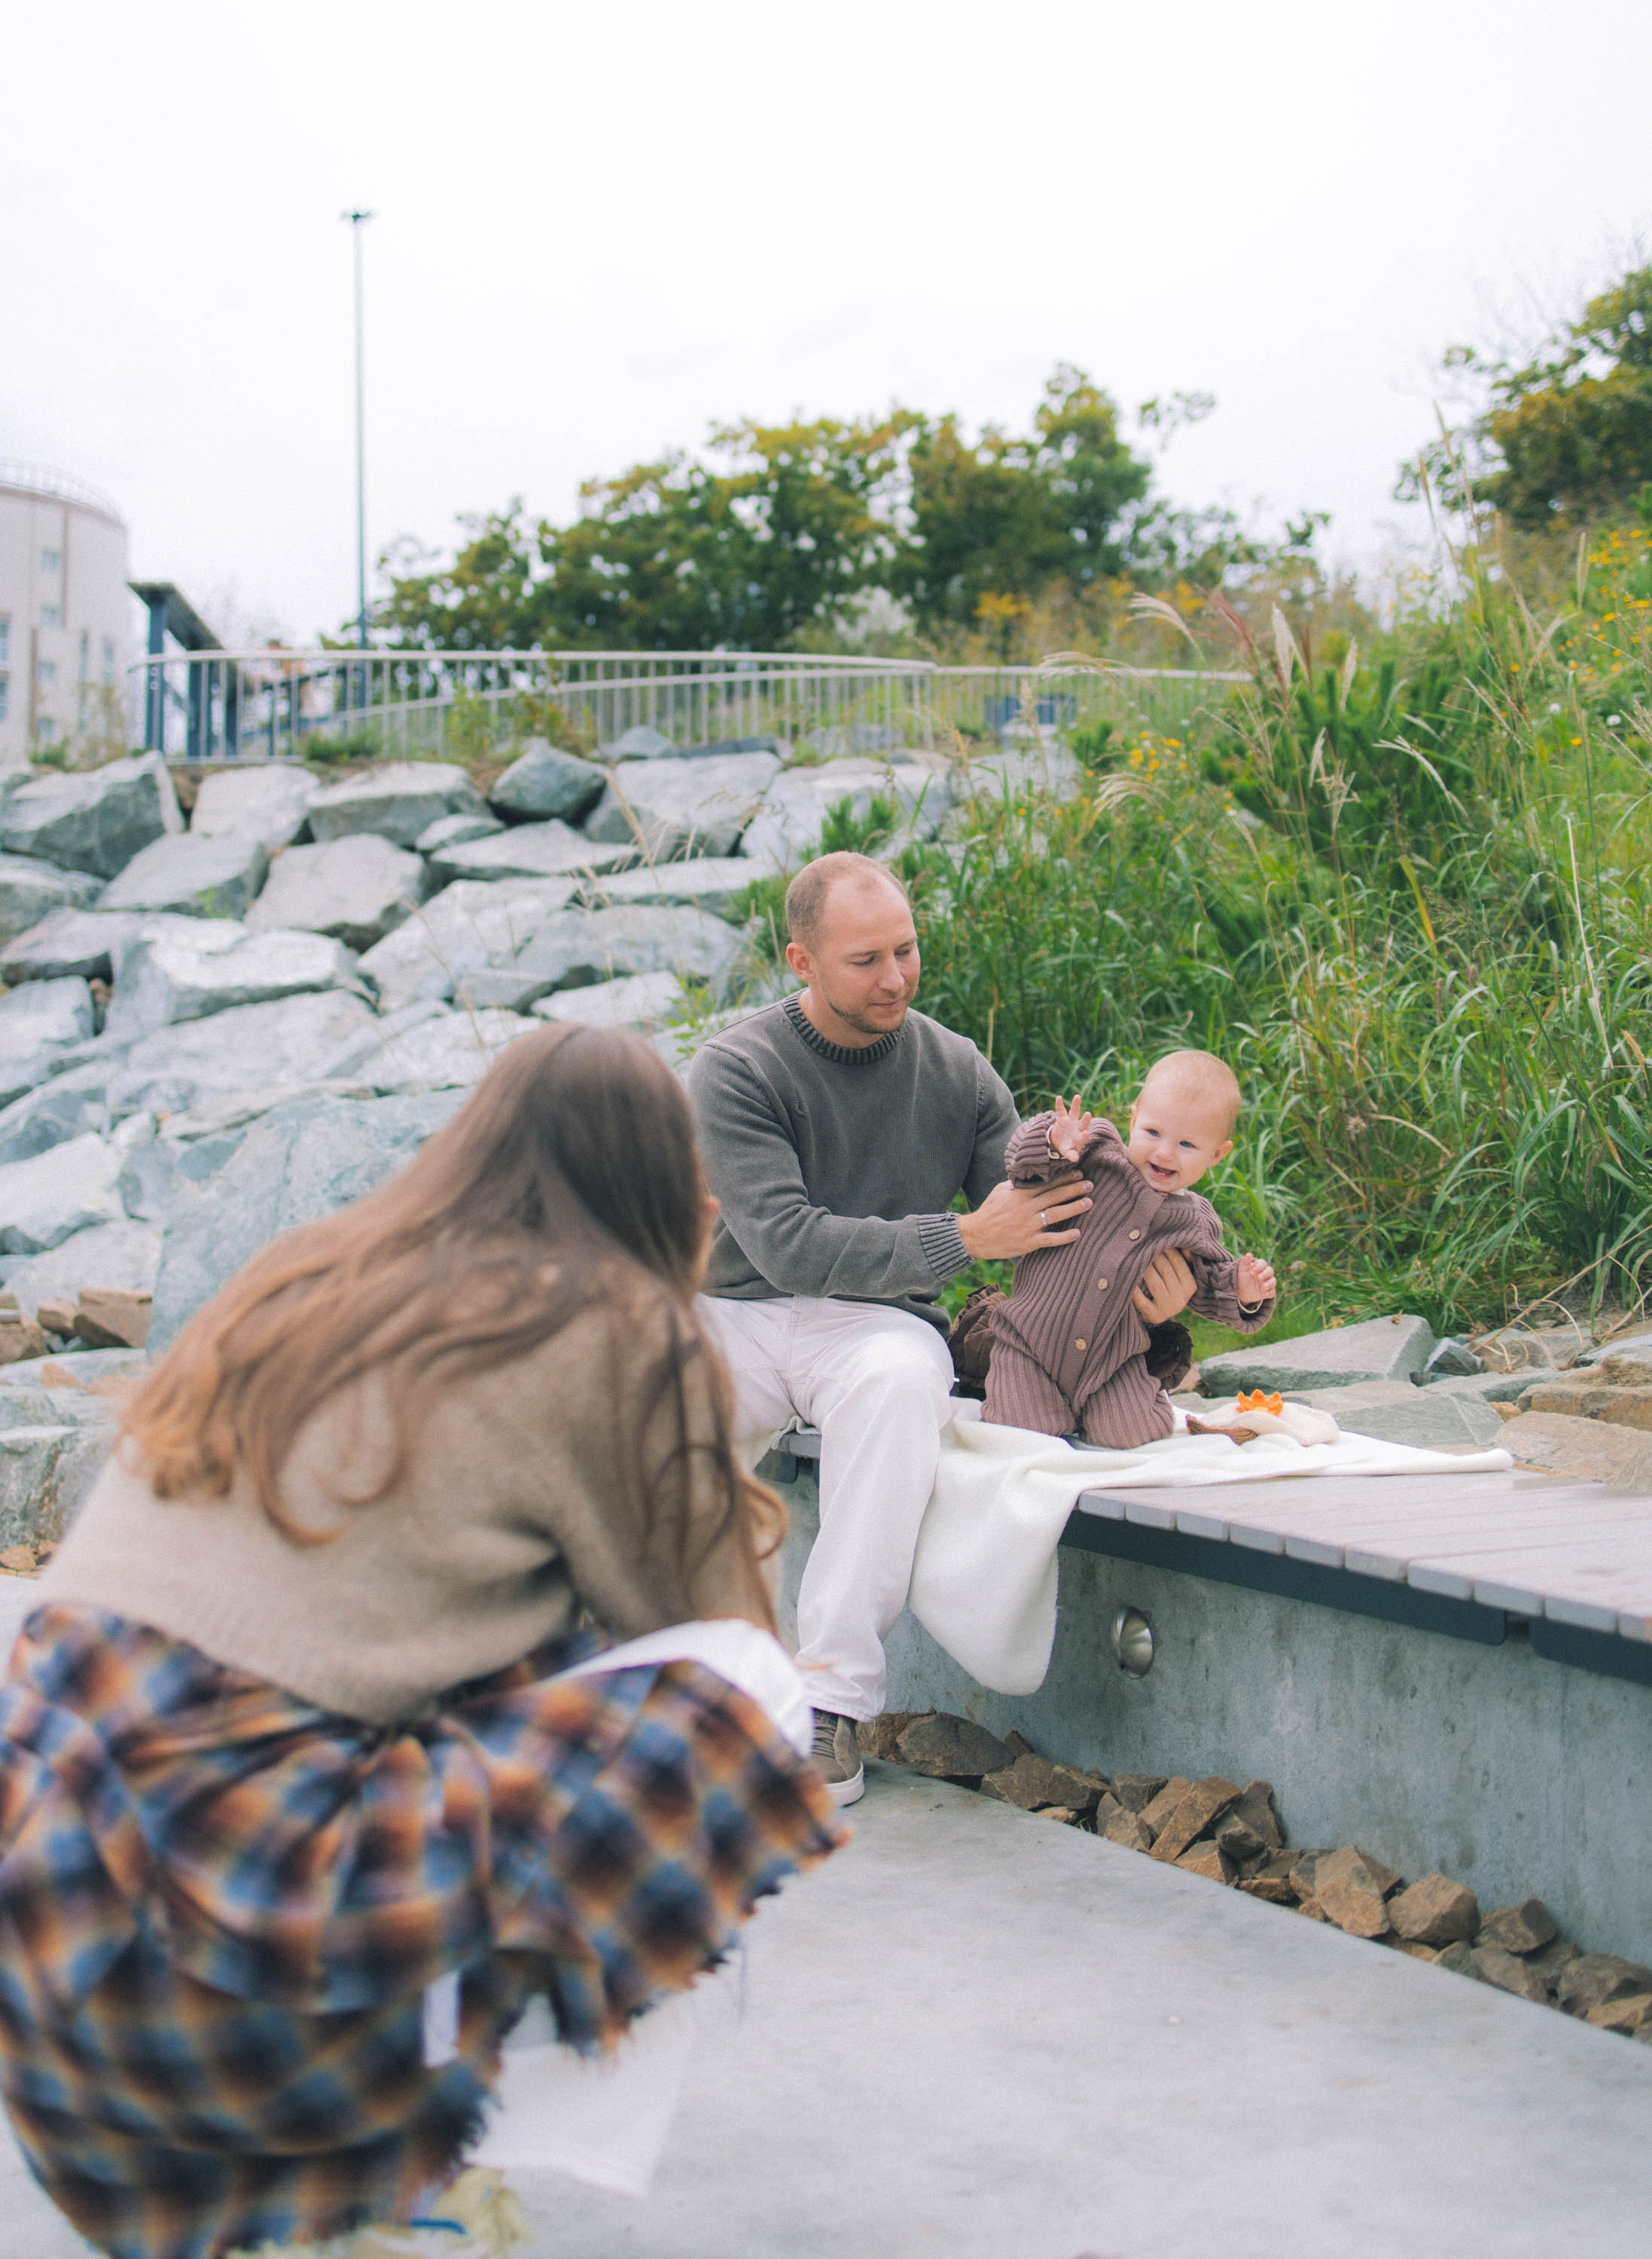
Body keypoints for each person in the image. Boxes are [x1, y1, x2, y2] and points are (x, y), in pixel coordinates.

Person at [0, 1023, 841, 2259]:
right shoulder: (614, 1316)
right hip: (233, 1921)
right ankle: (433, 2174)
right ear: (672, 1187)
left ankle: (349, 2175)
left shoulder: (304, 1264)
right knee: (750, 1691)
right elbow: (715, 1618)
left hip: (54, 1935)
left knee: (502, 1649)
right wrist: (682, 1303)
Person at [687, 851, 1189, 1806]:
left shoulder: (956, 1069)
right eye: (865, 960)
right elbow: (788, 1245)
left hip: (874, 1328)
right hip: (736, 1312)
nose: (895, 978)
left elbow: (1054, 1226)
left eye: (906, 951)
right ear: (801, 961)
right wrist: (962, 1238)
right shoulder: (736, 1070)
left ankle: (828, 1705)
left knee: (900, 1378)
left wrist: (1150, 1309)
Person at [983, 1049, 1278, 1447]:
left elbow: (1209, 1285)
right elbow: (1022, 1168)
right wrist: (1053, 1141)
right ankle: (1013, 1384)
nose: (1165, 1152)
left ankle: (1133, 1401)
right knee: (1019, 1430)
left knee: (1131, 1434)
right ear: (1134, 1119)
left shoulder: (1194, 1222)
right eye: (1153, 1132)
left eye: (1187, 1144)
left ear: (1217, 1154)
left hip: (1114, 1359)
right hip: (1030, 1340)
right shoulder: (1094, 1152)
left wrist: (1243, 1290)